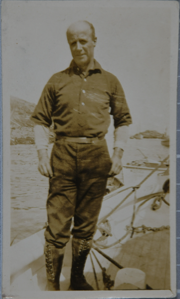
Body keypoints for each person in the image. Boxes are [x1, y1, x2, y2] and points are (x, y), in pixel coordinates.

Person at [31, 20, 132, 291]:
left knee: (86, 225)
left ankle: (76, 279)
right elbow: (40, 120)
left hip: (97, 156)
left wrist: (119, 154)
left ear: (94, 41)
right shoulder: (56, 80)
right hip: (62, 156)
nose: (78, 47)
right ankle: (53, 285)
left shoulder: (111, 81)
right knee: (56, 227)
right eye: (73, 42)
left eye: (83, 41)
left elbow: (123, 121)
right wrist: (42, 155)